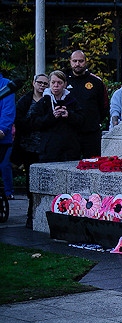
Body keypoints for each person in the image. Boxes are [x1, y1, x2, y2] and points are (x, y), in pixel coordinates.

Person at [13, 73, 49, 227]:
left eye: (45, 83)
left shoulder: (49, 100)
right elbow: (19, 121)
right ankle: (30, 214)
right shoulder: (25, 101)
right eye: (39, 82)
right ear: (34, 83)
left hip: (44, 147)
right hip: (28, 147)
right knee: (30, 182)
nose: (42, 86)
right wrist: (34, 124)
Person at [31, 70, 85, 162]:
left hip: (69, 149)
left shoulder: (72, 101)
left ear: (65, 84)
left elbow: (82, 120)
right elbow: (34, 123)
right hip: (49, 150)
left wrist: (69, 115)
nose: (56, 85)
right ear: (49, 84)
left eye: (59, 83)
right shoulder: (43, 102)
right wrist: (51, 117)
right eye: (53, 82)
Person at [66, 50, 108, 157]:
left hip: (91, 133)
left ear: (85, 62)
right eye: (74, 61)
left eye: (81, 61)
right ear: (70, 62)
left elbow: (104, 106)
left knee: (91, 164)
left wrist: (94, 121)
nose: (77, 64)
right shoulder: (64, 81)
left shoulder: (96, 82)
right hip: (69, 132)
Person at [0, 71, 17, 199]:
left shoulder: (5, 85)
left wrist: (2, 129)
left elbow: (8, 110)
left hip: (1, 138)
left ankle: (8, 191)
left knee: (4, 165)